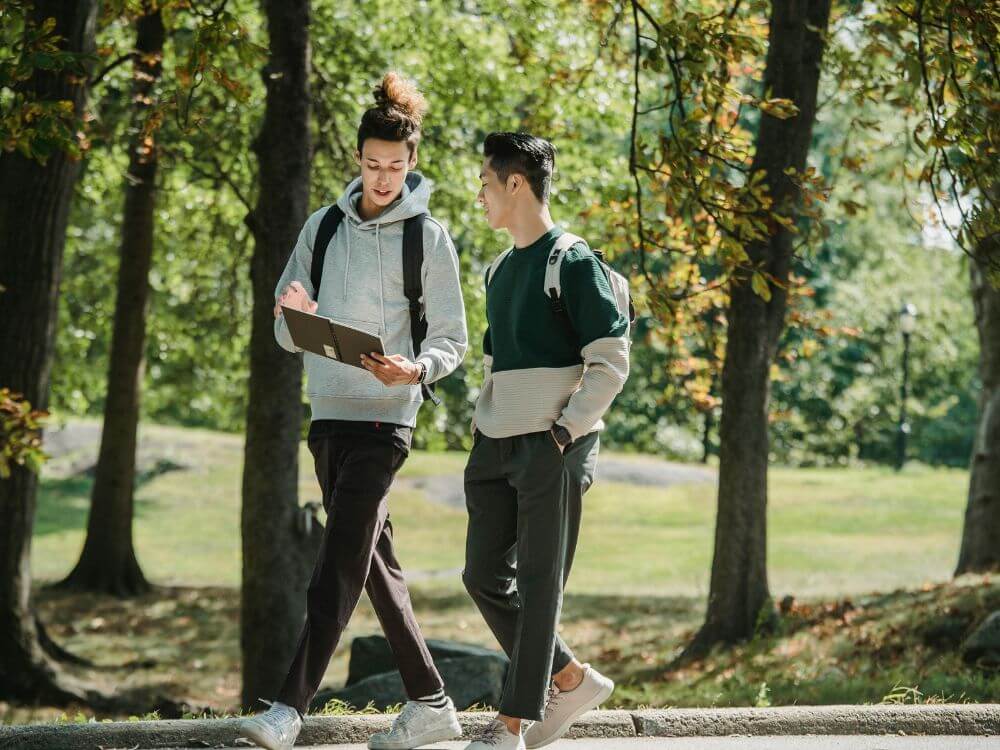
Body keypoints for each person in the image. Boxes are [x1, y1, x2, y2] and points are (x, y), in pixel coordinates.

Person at [238, 72, 468, 750]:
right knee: (371, 563)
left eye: (395, 167)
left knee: (338, 559)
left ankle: (289, 707)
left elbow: (451, 338)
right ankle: (431, 701)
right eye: (373, 165)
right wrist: (294, 316)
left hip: (387, 418)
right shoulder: (324, 226)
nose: (383, 177)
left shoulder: (427, 238)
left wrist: (417, 368)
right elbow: (283, 324)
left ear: (412, 162)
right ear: (358, 159)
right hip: (329, 416)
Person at [461, 132, 629, 750]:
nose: (480, 193)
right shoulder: (499, 269)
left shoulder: (572, 261)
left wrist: (565, 430)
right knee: (482, 575)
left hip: (552, 445)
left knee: (538, 585)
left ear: (515, 183)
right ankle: (571, 678)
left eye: (485, 181)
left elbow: (611, 361)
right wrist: (482, 424)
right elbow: (493, 361)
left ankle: (512, 722)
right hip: (495, 442)